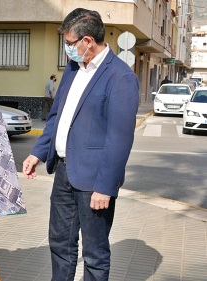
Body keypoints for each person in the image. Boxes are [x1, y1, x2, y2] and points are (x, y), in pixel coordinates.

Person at [22, 8, 139, 281]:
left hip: (94, 181)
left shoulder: (120, 77)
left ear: (88, 41)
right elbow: (57, 117)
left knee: (95, 255)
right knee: (60, 245)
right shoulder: (74, 69)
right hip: (64, 173)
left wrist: (105, 187)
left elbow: (120, 138)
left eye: (70, 43)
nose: (67, 50)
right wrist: (37, 153)